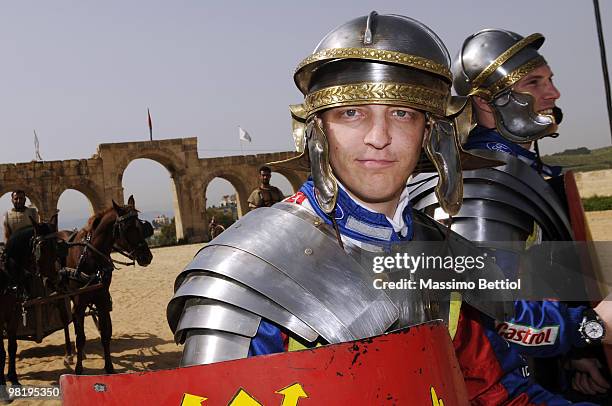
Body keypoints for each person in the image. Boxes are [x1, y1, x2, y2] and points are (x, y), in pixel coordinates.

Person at [168, 13, 593, 404]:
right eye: (352, 113)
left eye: (403, 113)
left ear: (431, 131)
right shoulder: (247, 271)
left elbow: (499, 394)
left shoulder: (442, 253)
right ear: (319, 130)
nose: (379, 136)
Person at [410, 28, 611, 398]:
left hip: (542, 366)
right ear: (487, 102)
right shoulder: (483, 181)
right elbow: (496, 313)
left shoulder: (519, 168)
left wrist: (573, 355)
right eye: (534, 83)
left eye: (550, 80)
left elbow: (541, 279)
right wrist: (588, 327)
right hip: (501, 384)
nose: (553, 93)